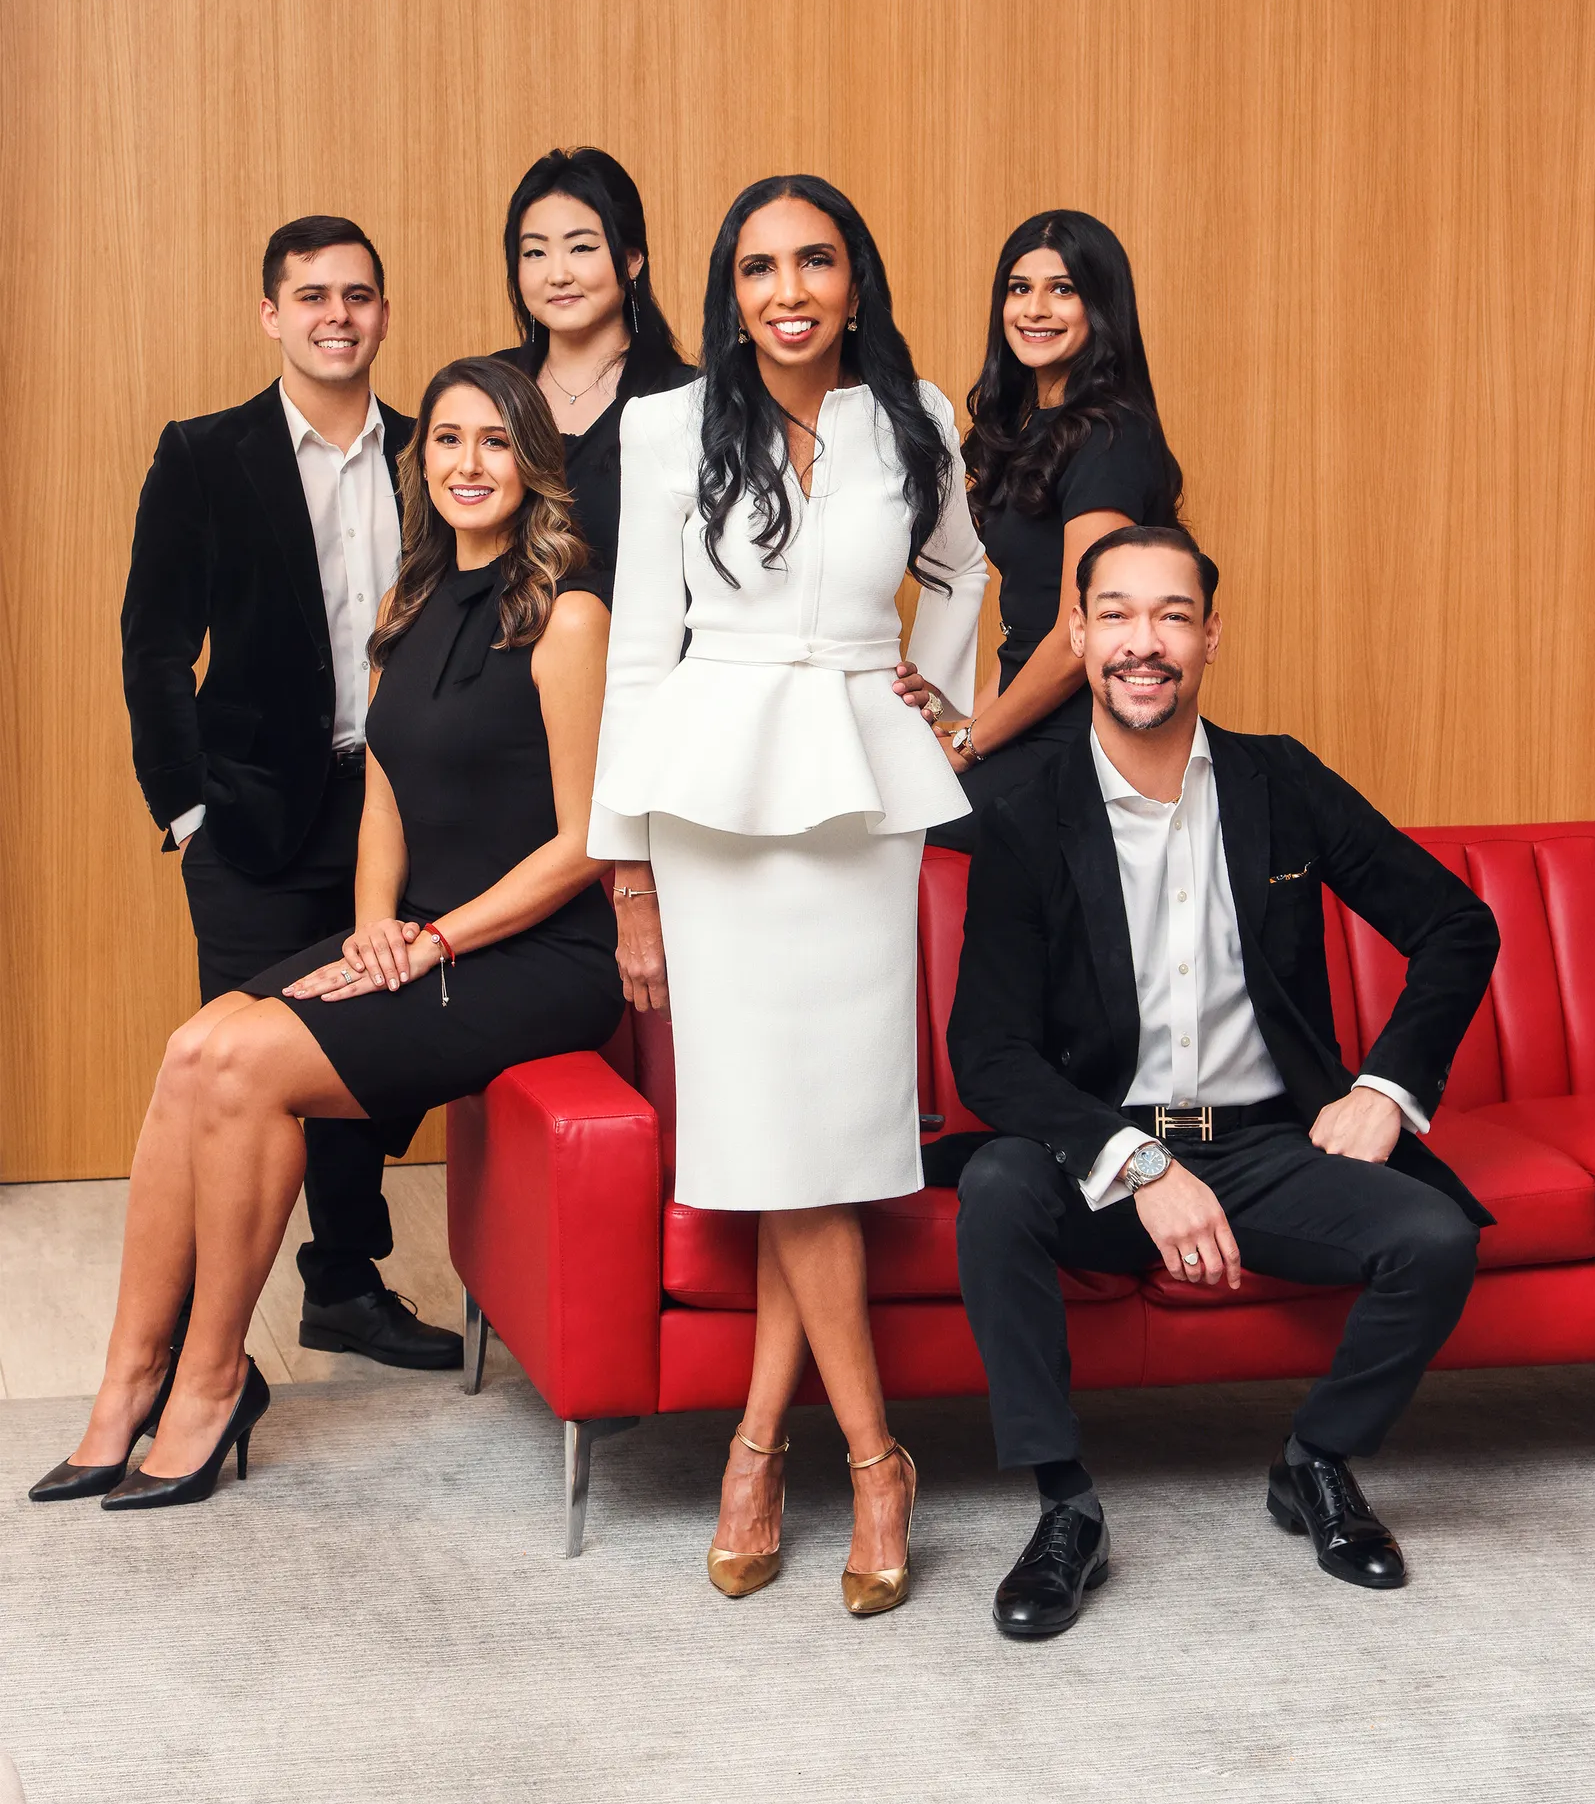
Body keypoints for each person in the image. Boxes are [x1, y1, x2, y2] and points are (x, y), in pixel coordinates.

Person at [33, 358, 622, 1510]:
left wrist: (434, 941)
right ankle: (127, 1382)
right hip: (416, 935)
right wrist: (368, 931)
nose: (466, 463)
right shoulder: (407, 611)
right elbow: (385, 803)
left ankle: (209, 1385)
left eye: (494, 443)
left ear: (531, 466)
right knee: (195, 1047)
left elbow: (586, 844)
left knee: (247, 1069)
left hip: (537, 957)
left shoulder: (569, 616)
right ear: (424, 464)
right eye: (447, 441)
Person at [948, 524, 1498, 1637]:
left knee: (1432, 1237)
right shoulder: (1020, 817)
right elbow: (987, 1053)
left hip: (1263, 1146)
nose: (1140, 643)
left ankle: (1315, 1462)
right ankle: (1064, 1509)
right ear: (1076, 634)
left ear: (1209, 637)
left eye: (1169, 616)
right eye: (1113, 615)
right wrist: (1136, 1162)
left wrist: (1382, 1090)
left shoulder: (1277, 782)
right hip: (1102, 1155)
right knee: (995, 1191)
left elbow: (1454, 924)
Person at [589, 175, 989, 1614]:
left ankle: (760, 1450)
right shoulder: (662, 426)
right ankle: (873, 1458)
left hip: (859, 789)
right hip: (710, 802)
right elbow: (640, 650)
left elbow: (960, 568)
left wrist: (937, 697)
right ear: (729, 289)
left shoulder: (918, 416)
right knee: (771, 1139)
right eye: (758, 266)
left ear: (855, 277)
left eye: (814, 259)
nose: (787, 289)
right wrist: (625, 871)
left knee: (810, 1147)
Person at [120, 215, 462, 1369]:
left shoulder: (436, 454)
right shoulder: (205, 454)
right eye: (311, 296)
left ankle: (343, 1282)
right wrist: (188, 809)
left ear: (382, 311)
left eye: (357, 295)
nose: (336, 316)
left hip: (398, 812)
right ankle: (212, 1340)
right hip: (255, 817)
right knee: (242, 1071)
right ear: (272, 313)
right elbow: (154, 643)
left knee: (366, 1056)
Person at [914, 211, 1182, 854]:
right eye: (1018, 287)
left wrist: (972, 744)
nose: (1035, 309)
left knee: (904, 828)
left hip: (1084, 734)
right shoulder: (1039, 429)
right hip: (1036, 718)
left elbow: (1077, 632)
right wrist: (963, 728)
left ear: (1101, 306)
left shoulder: (1107, 437)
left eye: (1063, 289)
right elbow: (1026, 633)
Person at [490, 147, 695, 584]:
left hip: (634, 648)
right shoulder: (487, 390)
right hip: (496, 647)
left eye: (581, 247)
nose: (557, 274)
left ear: (631, 259)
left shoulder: (686, 401)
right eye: (534, 253)